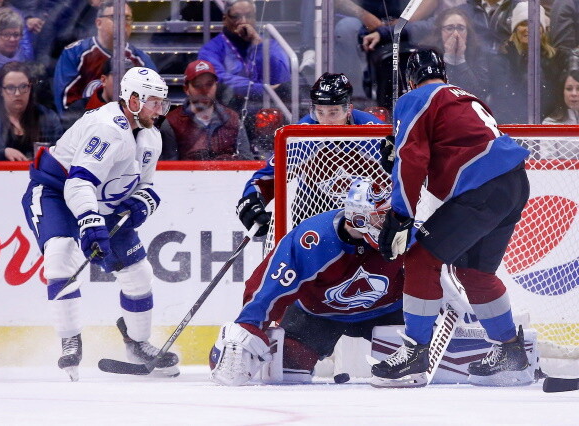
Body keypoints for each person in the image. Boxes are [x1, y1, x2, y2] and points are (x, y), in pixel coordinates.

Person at [372, 48, 531, 388]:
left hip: (483, 189)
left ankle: (416, 353)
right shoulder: (463, 96)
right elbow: (450, 149)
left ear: (410, 80)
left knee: (419, 258)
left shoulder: (416, 97)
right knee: (474, 272)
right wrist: (401, 144)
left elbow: (411, 160)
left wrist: (401, 215)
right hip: (513, 184)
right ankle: (511, 353)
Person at [20, 66, 179, 381]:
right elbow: (78, 184)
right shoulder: (108, 127)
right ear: (132, 100)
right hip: (54, 192)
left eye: (162, 103)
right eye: (153, 102)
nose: (159, 110)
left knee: (139, 274)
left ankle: (137, 343)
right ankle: (69, 339)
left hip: (100, 202)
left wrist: (142, 203)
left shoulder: (151, 136)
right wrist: (91, 225)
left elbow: (145, 186)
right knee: (60, 256)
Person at [210, 178, 406, 386]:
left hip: (388, 311)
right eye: (380, 218)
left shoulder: (403, 232)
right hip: (316, 316)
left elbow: (428, 274)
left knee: (434, 368)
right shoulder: (313, 239)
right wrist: (248, 326)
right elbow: (270, 288)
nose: (390, 224)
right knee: (287, 371)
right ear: (359, 219)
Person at [236, 72, 384, 238]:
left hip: (364, 211)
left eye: (333, 112)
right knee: (305, 204)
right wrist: (252, 201)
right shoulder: (301, 135)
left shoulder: (375, 132)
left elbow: (398, 176)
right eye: (320, 112)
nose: (326, 121)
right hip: (315, 208)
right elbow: (266, 178)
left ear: (348, 109)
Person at [197, 0, 291, 137]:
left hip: (269, 106)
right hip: (234, 107)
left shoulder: (268, 44)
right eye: (236, 16)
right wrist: (264, 88)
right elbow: (219, 79)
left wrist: (257, 43)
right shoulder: (211, 49)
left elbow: (282, 75)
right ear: (225, 19)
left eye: (249, 16)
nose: (243, 21)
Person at [53, 0, 156, 113]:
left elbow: (152, 103)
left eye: (127, 18)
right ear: (98, 23)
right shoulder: (74, 53)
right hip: (85, 126)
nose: (123, 23)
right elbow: (65, 105)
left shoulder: (140, 60)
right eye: (115, 17)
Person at [0, 7, 53, 118]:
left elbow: (47, 106)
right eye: (6, 35)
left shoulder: (36, 68)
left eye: (16, 34)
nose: (12, 39)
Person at [159, 59, 252, 161]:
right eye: (197, 85)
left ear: (216, 86)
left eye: (209, 84)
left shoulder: (233, 119)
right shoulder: (172, 123)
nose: (204, 91)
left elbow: (247, 160)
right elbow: (169, 169)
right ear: (186, 89)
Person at [0, 61, 61, 161]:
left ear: (30, 88)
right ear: (1, 91)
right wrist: (2, 153)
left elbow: (62, 156)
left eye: (23, 87)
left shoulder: (48, 118)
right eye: (10, 88)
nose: (17, 93)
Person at [490, 2, 560, 123]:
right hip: (513, 126)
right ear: (515, 29)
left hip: (545, 126)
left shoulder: (554, 59)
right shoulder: (502, 58)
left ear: (542, 30)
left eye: (534, 23)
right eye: (523, 24)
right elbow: (502, 95)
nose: (528, 28)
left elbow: (555, 99)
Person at [420, 7, 490, 100]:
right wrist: (449, 58)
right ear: (440, 32)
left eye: (461, 28)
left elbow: (479, 92)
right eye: (449, 28)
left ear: (468, 32)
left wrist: (461, 61)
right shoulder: (428, 53)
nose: (456, 33)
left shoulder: (478, 51)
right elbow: (433, 92)